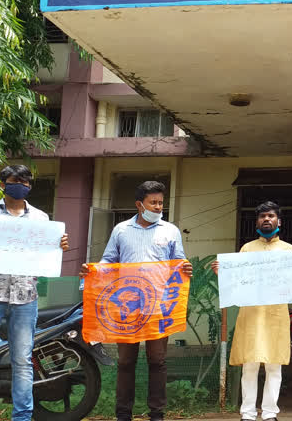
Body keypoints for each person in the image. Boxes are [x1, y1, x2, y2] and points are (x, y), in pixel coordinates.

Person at [0, 165, 70, 421]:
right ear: (3, 184)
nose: (20, 185)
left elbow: (47, 253)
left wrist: (59, 245)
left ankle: (22, 416)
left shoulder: (42, 220)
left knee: (22, 361)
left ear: (30, 186)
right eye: (14, 181)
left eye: (25, 181)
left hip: (25, 298)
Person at [80, 180, 191, 421]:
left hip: (160, 305)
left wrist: (185, 268)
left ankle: (157, 414)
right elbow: (109, 261)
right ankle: (123, 414)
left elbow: (179, 262)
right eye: (154, 202)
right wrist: (92, 272)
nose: (159, 206)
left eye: (161, 202)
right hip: (127, 307)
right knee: (126, 361)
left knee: (158, 360)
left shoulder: (170, 231)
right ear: (140, 205)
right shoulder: (121, 230)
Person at [211, 201, 292, 421]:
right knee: (250, 365)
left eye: (271, 216)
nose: (267, 219)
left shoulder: (288, 250)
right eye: (263, 216)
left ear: (279, 221)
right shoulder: (247, 248)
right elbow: (238, 281)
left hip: (276, 314)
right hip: (251, 315)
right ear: (257, 221)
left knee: (274, 366)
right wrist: (223, 273)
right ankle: (247, 413)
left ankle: (270, 413)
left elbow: (289, 283)